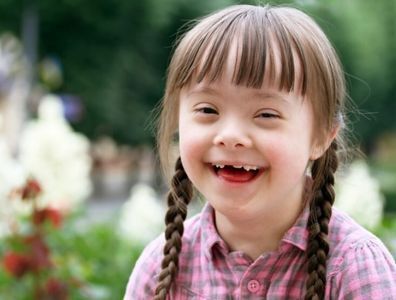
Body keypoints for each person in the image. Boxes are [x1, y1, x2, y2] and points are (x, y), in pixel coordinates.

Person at [124, 4, 396, 299]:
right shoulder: (160, 267)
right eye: (207, 109)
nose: (230, 136)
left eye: (266, 114)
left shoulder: (355, 267)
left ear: (321, 136)